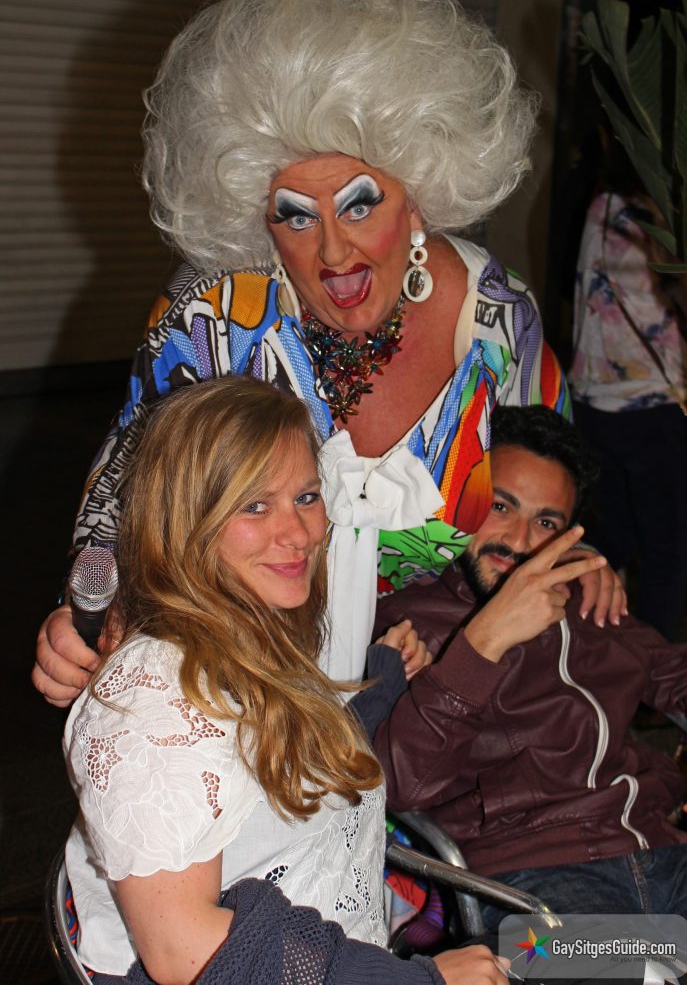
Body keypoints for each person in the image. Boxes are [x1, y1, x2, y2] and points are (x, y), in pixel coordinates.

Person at [33, 0, 624, 707]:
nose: (333, 251)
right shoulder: (213, 317)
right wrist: (83, 617)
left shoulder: (501, 324)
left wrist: (578, 562)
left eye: (359, 205)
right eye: (295, 215)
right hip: (241, 684)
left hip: (433, 692)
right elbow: (125, 494)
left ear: (418, 197)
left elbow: (547, 486)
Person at [64, 375, 508, 985]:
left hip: (357, 953)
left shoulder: (249, 637)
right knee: (599, 952)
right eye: (254, 506)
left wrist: (377, 687)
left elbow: (261, 784)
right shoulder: (156, 696)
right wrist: (422, 981)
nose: (298, 534)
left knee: (615, 950)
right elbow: (184, 952)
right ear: (184, 522)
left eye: (306, 496)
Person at [374, 405, 687, 925]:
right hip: (527, 883)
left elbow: (670, 673)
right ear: (463, 499)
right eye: (500, 506)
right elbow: (400, 783)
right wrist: (483, 643)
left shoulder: (582, 597)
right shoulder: (409, 616)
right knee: (621, 963)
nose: (518, 542)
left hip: (660, 848)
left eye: (545, 522)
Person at [569, 130, 687, 641]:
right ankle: (650, 671)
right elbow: (667, 297)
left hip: (594, 403)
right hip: (649, 405)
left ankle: (580, 642)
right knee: (667, 551)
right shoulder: (648, 217)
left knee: (616, 534)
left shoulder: (602, 205)